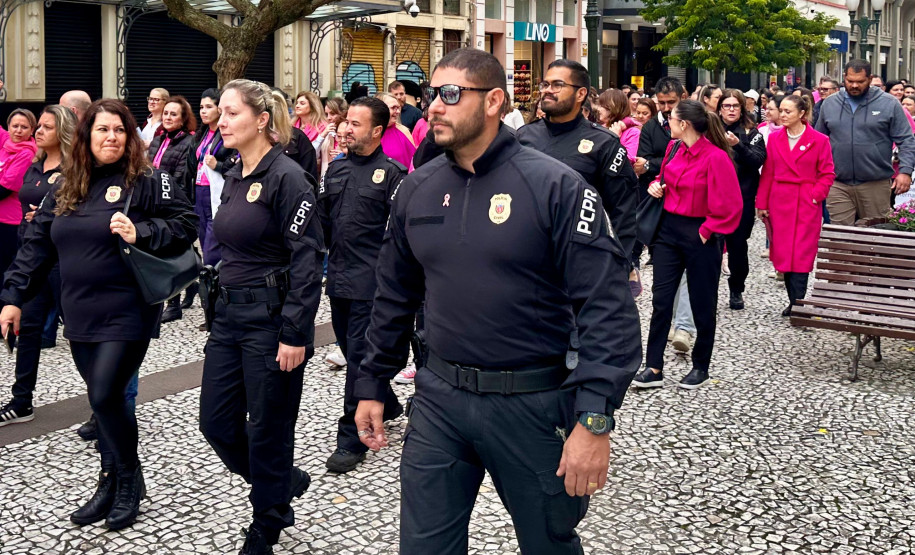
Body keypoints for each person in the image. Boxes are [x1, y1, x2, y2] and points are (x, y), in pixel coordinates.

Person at [353, 47, 641, 554]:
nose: (434, 108)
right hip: (441, 399)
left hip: (532, 403)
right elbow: (394, 295)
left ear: (493, 102)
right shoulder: (418, 188)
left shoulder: (555, 186)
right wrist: (372, 382)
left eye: (449, 94)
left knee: (548, 544)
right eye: (430, 96)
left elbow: (606, 307)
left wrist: (594, 418)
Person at [0, 99, 198, 529]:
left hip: (128, 310)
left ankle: (128, 480)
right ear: (87, 137)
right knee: (101, 400)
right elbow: (36, 245)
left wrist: (143, 231)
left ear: (130, 137)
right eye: (102, 130)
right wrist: (13, 296)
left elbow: (186, 223)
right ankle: (110, 479)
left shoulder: (147, 180)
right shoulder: (67, 184)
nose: (111, 137)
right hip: (80, 312)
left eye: (119, 130)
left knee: (106, 394)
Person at [198, 79, 323, 555]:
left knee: (268, 426)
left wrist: (295, 331)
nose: (221, 121)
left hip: (272, 321)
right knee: (216, 422)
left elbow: (308, 258)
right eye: (221, 113)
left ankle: (267, 520)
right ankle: (282, 481)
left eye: (231, 114)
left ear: (262, 120)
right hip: (229, 317)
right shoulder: (233, 173)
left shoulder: (288, 177)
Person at [318, 96, 406, 474]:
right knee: (352, 350)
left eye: (355, 124)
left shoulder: (393, 175)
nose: (345, 129)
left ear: (376, 131)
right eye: (345, 122)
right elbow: (320, 225)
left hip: (371, 286)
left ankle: (351, 438)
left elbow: (399, 238)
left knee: (357, 359)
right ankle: (386, 399)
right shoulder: (334, 171)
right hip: (338, 281)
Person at [632, 99, 742, 390]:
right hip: (668, 231)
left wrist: (707, 231)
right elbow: (665, 177)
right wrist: (657, 184)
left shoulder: (716, 157)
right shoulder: (673, 148)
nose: (666, 121)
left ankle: (700, 366)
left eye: (671, 117)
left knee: (702, 302)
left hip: (700, 233)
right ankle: (653, 366)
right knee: (661, 300)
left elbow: (733, 205)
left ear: (685, 124)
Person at [517, 60, 640, 296]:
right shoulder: (523, 137)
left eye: (557, 85)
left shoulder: (604, 144)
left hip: (581, 264)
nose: (547, 90)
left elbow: (623, 212)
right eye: (545, 84)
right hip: (526, 262)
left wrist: (617, 267)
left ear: (580, 93)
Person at [0, 105, 75, 427]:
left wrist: (50, 216)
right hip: (33, 254)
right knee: (28, 329)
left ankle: (107, 405)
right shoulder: (35, 164)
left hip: (64, 260)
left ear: (63, 131)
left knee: (81, 332)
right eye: (38, 126)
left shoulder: (75, 168)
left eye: (46, 127)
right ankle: (21, 400)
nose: (38, 131)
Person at [757, 95, 835, 317]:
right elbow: (768, 173)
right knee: (783, 252)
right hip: (779, 201)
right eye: (780, 110)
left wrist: (815, 196)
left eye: (787, 111)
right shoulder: (775, 139)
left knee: (801, 252)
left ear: (802, 113)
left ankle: (798, 303)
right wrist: (762, 203)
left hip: (805, 202)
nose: (782, 115)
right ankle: (794, 301)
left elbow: (827, 173)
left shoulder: (819, 140)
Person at [635, 77, 696, 353]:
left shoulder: (694, 122)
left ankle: (683, 325)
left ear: (682, 97)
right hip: (661, 205)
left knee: (687, 272)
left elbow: (698, 156)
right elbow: (644, 160)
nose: (667, 108)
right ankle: (670, 322)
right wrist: (653, 173)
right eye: (662, 103)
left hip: (690, 207)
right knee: (666, 270)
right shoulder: (651, 126)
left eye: (672, 103)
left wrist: (653, 166)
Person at [815, 59, 915, 225]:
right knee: (841, 237)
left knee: (875, 237)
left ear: (869, 79)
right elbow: (820, 141)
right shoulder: (830, 103)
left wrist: (905, 171)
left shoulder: (889, 104)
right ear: (844, 77)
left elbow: (906, 140)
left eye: (860, 82)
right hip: (838, 183)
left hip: (875, 183)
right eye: (850, 81)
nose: (854, 85)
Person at [148, 95, 198, 324]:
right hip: (153, 201)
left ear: (183, 118)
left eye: (173, 114)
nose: (168, 117)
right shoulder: (158, 140)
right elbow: (147, 168)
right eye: (166, 113)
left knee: (172, 252)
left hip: (174, 203)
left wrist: (166, 200)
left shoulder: (188, 142)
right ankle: (192, 282)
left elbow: (180, 176)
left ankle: (174, 304)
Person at [718, 90, 766, 310]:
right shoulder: (710, 130)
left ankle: (736, 289)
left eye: (735, 106)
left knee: (737, 245)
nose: (730, 110)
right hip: (714, 196)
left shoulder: (752, 132)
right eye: (726, 106)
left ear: (742, 107)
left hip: (741, 197)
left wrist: (738, 144)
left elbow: (757, 160)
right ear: (719, 109)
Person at [187, 88, 237, 267]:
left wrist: (219, 165)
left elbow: (237, 162)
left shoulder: (227, 133)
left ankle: (214, 277)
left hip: (216, 191)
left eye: (208, 107)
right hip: (199, 190)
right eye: (201, 107)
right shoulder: (201, 134)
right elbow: (193, 163)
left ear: (219, 109)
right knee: (202, 240)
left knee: (211, 248)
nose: (203, 111)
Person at [0, 109, 38, 273]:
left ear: (32, 130)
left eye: (24, 127)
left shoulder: (26, 153)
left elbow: (4, 190)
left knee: (5, 269)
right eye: (15, 126)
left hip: (9, 222)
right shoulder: (7, 144)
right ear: (8, 127)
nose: (18, 130)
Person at [376, 92, 417, 168]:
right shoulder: (370, 133)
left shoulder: (403, 130)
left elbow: (414, 160)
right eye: (393, 108)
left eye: (398, 108)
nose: (398, 111)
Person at [314, 97, 347, 177]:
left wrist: (344, 155)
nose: (328, 118)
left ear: (343, 113)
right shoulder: (327, 131)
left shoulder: (348, 131)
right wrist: (323, 134)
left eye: (332, 114)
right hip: (325, 176)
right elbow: (312, 153)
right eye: (326, 114)